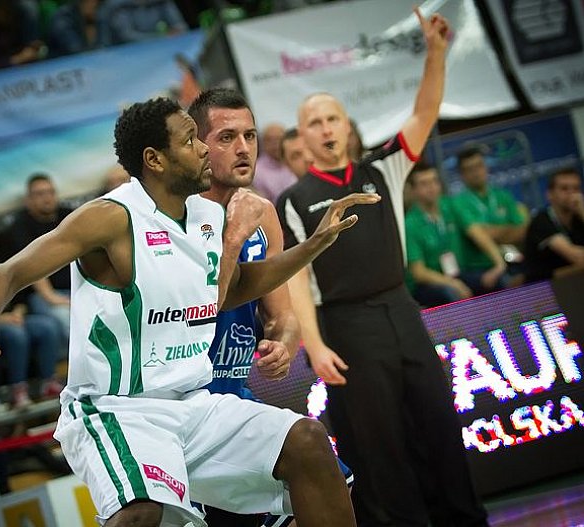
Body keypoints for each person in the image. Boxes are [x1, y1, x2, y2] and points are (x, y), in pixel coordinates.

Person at [0, 97, 379, 527]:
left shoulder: (207, 216)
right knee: (141, 514)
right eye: (191, 140)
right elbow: (8, 273)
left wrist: (314, 244)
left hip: (193, 403)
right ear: (155, 159)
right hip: (117, 409)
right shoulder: (110, 217)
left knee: (308, 442)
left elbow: (233, 290)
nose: (204, 148)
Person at [277, 9, 488, 527]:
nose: (325, 128)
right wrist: (314, 344)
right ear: (302, 138)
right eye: (314, 123)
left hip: (401, 308)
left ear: (347, 126)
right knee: (380, 445)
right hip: (347, 324)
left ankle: (464, 518)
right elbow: (298, 278)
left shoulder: (383, 167)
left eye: (332, 118)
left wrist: (435, 52)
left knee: (439, 423)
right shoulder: (293, 200)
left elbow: (425, 110)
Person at [189, 88, 353, 527]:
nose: (243, 148)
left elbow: (281, 315)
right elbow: (199, 309)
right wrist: (233, 236)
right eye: (226, 137)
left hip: (235, 390)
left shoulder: (262, 212)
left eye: (250, 135)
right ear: (197, 145)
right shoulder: (177, 216)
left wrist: (282, 342)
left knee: (326, 483)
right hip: (184, 400)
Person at [0, 227, 61, 405]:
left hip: (15, 318)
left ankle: (49, 381)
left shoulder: (2, 267)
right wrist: (0, 319)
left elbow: (22, 297)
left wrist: (17, 313)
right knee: (16, 335)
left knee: (47, 326)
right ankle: (18, 389)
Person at [0, 174, 73, 351]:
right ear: (28, 200)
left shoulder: (69, 216)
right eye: (39, 194)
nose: (47, 198)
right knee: (67, 319)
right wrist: (53, 298)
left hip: (77, 287)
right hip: (42, 295)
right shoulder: (20, 228)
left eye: (50, 192)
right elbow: (32, 267)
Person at [451, 145, 528, 289]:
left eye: (479, 166)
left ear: (486, 167)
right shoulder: (458, 203)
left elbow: (522, 231)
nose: (476, 172)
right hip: (479, 268)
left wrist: (490, 232)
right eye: (469, 169)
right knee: (507, 282)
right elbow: (477, 234)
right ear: (462, 175)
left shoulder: (503, 195)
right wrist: (506, 231)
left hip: (512, 259)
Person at [405, 162, 473, 307]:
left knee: (493, 279)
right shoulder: (410, 223)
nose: (431, 187)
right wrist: (453, 283)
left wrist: (498, 263)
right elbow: (419, 272)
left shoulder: (449, 206)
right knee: (450, 292)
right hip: (428, 284)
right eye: (424, 184)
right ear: (413, 190)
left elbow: (476, 231)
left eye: (434, 181)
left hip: (457, 273)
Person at [524, 167, 584, 282]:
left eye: (576, 188)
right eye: (564, 188)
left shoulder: (579, 218)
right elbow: (578, 258)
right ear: (549, 195)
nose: (572, 194)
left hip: (573, 282)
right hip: (543, 287)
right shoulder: (541, 221)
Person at [252, 123, 297, 203]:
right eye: (270, 140)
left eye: (279, 139)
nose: (276, 144)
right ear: (263, 142)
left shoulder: (295, 162)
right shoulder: (256, 170)